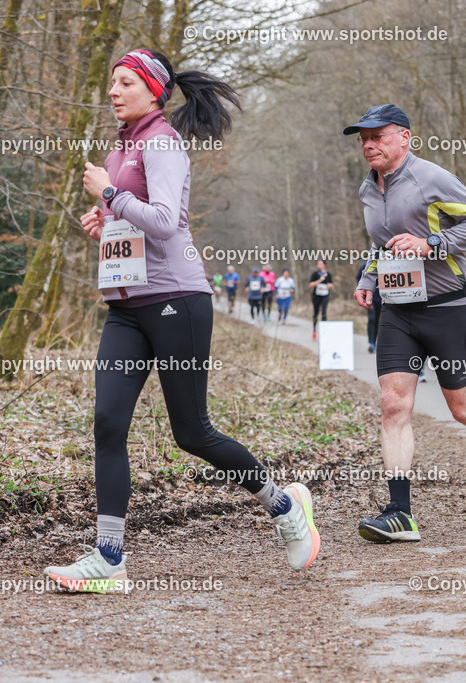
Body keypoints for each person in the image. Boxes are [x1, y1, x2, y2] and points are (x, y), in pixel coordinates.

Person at [48, 48, 319, 592]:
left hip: (176, 300)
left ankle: (285, 507)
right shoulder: (122, 145)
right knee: (107, 422)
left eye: (125, 82)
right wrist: (106, 222)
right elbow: (137, 217)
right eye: (111, 82)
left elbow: (168, 223)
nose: (113, 90)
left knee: (191, 432)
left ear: (153, 90)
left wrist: (107, 193)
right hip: (125, 306)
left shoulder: (161, 143)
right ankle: (109, 559)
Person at [347, 104, 466, 543]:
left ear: (405, 137)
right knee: (393, 403)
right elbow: (381, 245)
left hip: (449, 305)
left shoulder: (430, 177)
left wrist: (431, 242)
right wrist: (369, 277)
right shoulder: (367, 190)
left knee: (463, 408)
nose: (369, 144)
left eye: (378, 136)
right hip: (397, 308)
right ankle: (400, 512)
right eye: (363, 138)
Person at [357, 260, 381, 352]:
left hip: (383, 298)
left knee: (380, 320)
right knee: (372, 319)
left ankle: (377, 343)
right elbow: (358, 277)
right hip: (370, 298)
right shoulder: (365, 265)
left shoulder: (387, 262)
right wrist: (363, 289)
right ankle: (371, 343)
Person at [308, 260, 332, 339]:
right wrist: (319, 281)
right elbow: (310, 285)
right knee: (316, 313)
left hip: (325, 295)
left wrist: (329, 285)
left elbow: (331, 284)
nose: (319, 265)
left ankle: (324, 332)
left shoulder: (328, 274)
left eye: (321, 264)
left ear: (324, 265)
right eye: (318, 264)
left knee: (324, 312)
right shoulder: (315, 274)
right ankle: (314, 330)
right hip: (316, 295)